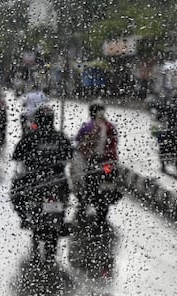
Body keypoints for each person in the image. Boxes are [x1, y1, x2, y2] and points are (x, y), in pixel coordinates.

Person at [10, 106, 73, 263]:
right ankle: (37, 217)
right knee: (65, 194)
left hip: (35, 182)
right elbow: (70, 155)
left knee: (15, 193)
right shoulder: (60, 137)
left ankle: (25, 217)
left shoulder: (30, 137)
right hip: (57, 182)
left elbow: (17, 155)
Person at [71, 101, 118, 226]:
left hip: (93, 164)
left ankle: (86, 195)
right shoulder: (110, 126)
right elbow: (114, 144)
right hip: (108, 165)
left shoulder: (88, 126)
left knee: (81, 176)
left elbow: (78, 142)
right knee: (110, 177)